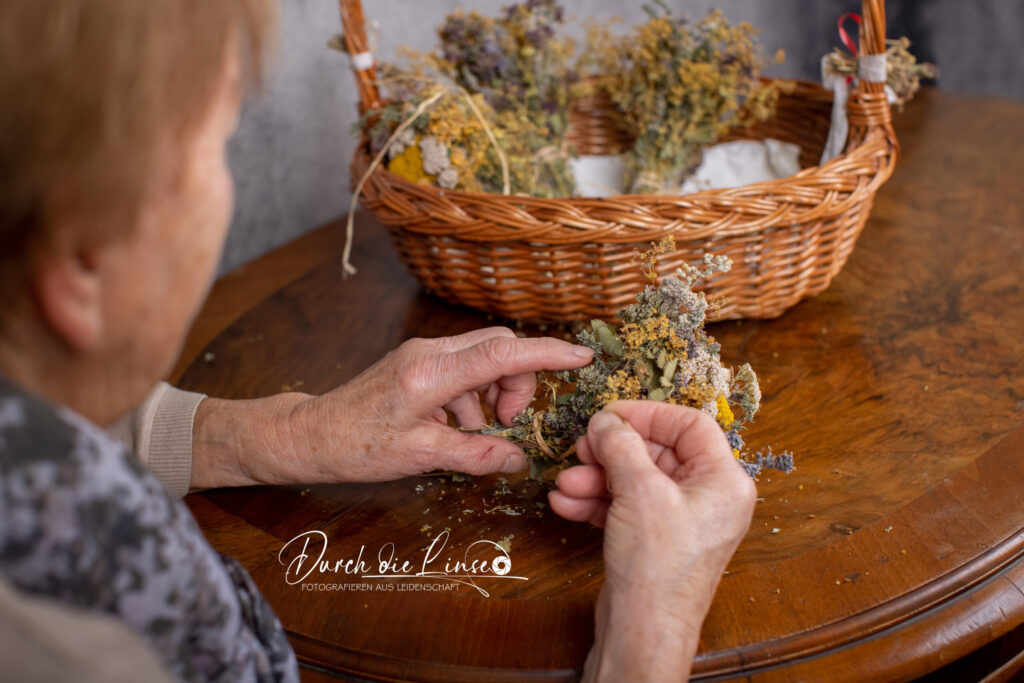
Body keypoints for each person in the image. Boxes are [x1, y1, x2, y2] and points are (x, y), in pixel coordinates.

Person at [0, 1, 757, 681]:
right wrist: (649, 634)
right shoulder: (86, 644)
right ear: (84, 261)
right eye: (218, 146)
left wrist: (284, 433)